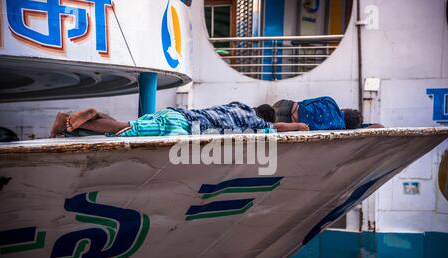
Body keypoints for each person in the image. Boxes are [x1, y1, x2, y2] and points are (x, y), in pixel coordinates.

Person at [50, 102, 310, 138]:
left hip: (178, 114)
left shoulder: (238, 106)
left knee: (128, 126)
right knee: (126, 129)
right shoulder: (259, 124)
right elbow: (286, 127)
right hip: (182, 127)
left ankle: (83, 120)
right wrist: (303, 128)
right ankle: (74, 119)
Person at [272, 97, 383, 130]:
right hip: (287, 124)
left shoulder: (330, 101)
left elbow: (306, 102)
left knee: (260, 116)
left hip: (287, 106)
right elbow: (380, 127)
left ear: (344, 110)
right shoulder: (338, 128)